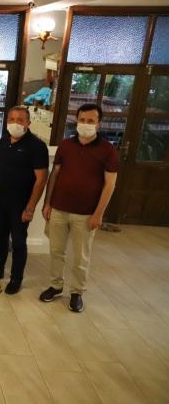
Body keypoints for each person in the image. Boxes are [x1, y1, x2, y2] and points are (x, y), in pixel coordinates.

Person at [40, 103, 119, 312]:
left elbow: (110, 184)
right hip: (59, 209)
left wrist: (98, 214)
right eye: (82, 120)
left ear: (99, 124)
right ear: (77, 121)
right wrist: (47, 203)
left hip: (86, 213)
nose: (85, 124)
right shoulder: (66, 145)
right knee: (56, 251)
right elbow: (54, 175)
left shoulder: (108, 150)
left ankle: (77, 292)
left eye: (90, 121)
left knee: (81, 256)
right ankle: (56, 286)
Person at [0, 106, 48, 294]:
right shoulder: (4, 141)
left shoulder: (37, 146)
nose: (15, 123)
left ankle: (16, 278)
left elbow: (41, 179)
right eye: (11, 119)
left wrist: (30, 208)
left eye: (20, 120)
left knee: (18, 241)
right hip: (0, 200)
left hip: (20, 204)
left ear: (28, 123)